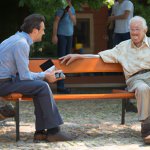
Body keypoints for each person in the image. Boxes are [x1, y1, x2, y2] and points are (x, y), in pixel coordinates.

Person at [60, 16, 150, 144]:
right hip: (136, 79)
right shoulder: (123, 47)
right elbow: (100, 56)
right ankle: (146, 130)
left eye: (137, 29)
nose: (134, 32)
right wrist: (79, 55)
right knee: (143, 89)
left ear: (145, 30)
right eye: (131, 30)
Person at [0, 14, 71, 142]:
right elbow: (25, 76)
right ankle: (53, 131)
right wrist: (46, 76)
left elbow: (22, 73)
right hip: (3, 84)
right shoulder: (21, 43)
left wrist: (45, 74)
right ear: (34, 30)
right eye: (43, 29)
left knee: (39, 87)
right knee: (43, 86)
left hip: (7, 80)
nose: (44, 33)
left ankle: (40, 132)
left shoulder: (15, 39)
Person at [108, 0, 137, 112]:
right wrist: (110, 25)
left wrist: (112, 19)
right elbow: (112, 18)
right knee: (121, 60)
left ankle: (130, 85)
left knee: (129, 60)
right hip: (117, 33)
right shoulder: (115, 5)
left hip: (127, 33)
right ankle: (127, 85)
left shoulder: (128, 3)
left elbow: (125, 16)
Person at [52, 0, 76, 94]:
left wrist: (70, 12)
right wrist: (54, 35)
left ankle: (62, 85)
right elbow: (56, 22)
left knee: (66, 61)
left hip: (69, 36)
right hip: (61, 36)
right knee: (60, 62)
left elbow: (74, 22)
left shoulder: (72, 9)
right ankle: (60, 86)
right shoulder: (60, 9)